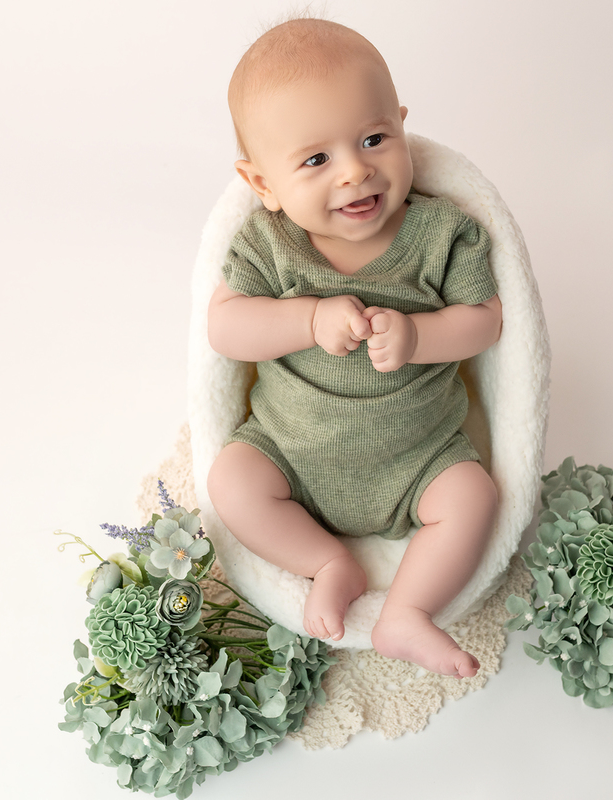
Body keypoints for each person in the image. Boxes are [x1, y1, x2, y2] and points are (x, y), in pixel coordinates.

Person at [206, 18, 502, 678]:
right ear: (262, 185)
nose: (355, 171)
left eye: (373, 139)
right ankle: (325, 561)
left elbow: (484, 322)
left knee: (474, 497)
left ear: (400, 124)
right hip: (291, 450)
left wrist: (421, 335)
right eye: (316, 160)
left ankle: (406, 613)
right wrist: (307, 320)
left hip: (417, 456)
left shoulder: (441, 232)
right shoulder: (268, 247)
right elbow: (225, 328)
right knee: (231, 480)